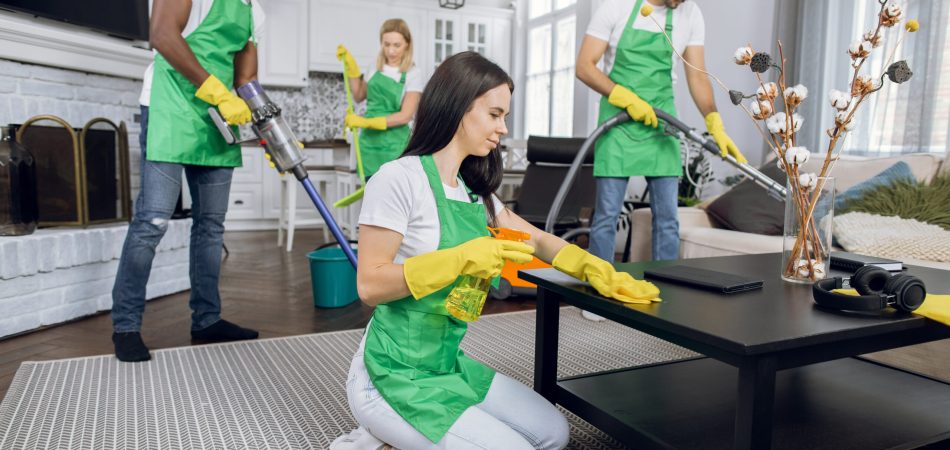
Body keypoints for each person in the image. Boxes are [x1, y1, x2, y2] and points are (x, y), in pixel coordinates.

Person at [333, 51, 661, 450]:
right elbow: (369, 285)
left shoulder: (476, 197)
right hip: (389, 374)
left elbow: (538, 239)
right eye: (494, 114)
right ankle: (377, 433)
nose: (503, 128)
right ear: (457, 107)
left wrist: (595, 269)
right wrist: (458, 258)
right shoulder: (399, 179)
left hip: (445, 366)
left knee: (553, 434)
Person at [110, 0, 265, 363]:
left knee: (211, 225)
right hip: (170, 105)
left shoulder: (254, 11)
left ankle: (207, 319)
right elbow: (162, 34)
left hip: (217, 117)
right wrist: (217, 91)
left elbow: (246, 80)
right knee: (152, 221)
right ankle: (126, 326)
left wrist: (270, 125)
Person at [577, 0, 746, 263]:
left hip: (662, 121)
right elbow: (585, 66)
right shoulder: (616, 7)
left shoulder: (690, 13)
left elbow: (697, 76)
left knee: (668, 217)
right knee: (607, 215)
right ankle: (597, 293)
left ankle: (667, 290)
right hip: (618, 120)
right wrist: (625, 98)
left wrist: (715, 122)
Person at [337, 18, 424, 180]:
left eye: (396, 45)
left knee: (393, 193)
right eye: (386, 44)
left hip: (395, 145)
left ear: (407, 44)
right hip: (369, 143)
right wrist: (353, 71)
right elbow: (358, 95)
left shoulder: (413, 73)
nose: (391, 51)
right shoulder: (374, 67)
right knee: (370, 193)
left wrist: (367, 122)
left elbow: (405, 115)